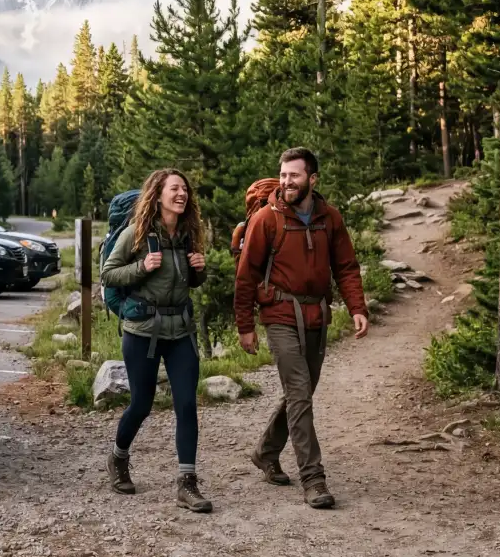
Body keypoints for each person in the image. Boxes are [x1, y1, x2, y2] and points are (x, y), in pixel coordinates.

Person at [234, 147, 368, 509]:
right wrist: (245, 325)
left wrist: (357, 307)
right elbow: (245, 275)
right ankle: (313, 478)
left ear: (312, 179)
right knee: (299, 391)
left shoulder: (330, 219)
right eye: (282, 175)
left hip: (316, 315)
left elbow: (346, 267)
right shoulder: (267, 219)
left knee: (301, 393)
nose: (286, 181)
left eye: (293, 175)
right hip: (278, 313)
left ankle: (265, 452)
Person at [100, 168, 211, 512]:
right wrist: (142, 267)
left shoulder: (189, 236)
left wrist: (199, 268)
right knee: (142, 404)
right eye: (174, 189)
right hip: (143, 332)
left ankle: (187, 484)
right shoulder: (136, 234)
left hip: (180, 332)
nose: (182, 195)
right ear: (158, 195)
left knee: (187, 404)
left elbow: (190, 282)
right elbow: (108, 273)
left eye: (185, 190)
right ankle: (118, 458)